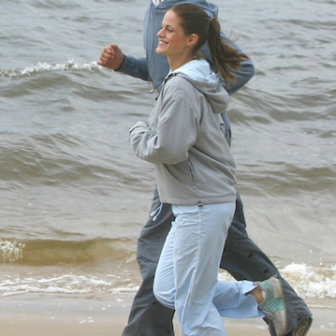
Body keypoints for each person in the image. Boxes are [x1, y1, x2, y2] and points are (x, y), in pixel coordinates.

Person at [98, 1, 313, 335]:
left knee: (192, 307)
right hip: (195, 200)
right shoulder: (182, 75)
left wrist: (138, 131)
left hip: (200, 201)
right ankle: (262, 293)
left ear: (191, 39)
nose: (161, 32)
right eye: (162, 27)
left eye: (169, 30)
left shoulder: (184, 85)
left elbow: (168, 148)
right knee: (169, 289)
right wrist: (125, 64)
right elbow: (161, 78)